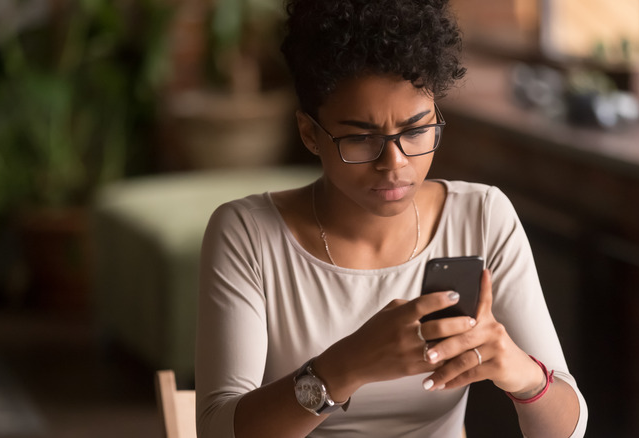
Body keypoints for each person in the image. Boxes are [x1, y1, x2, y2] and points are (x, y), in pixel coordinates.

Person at [195, 0, 588, 436]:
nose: (394, 164)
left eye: (416, 131)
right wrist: (345, 367)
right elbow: (216, 430)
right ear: (310, 133)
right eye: (362, 138)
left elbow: (567, 429)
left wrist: (523, 375)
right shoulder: (248, 234)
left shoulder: (481, 217)